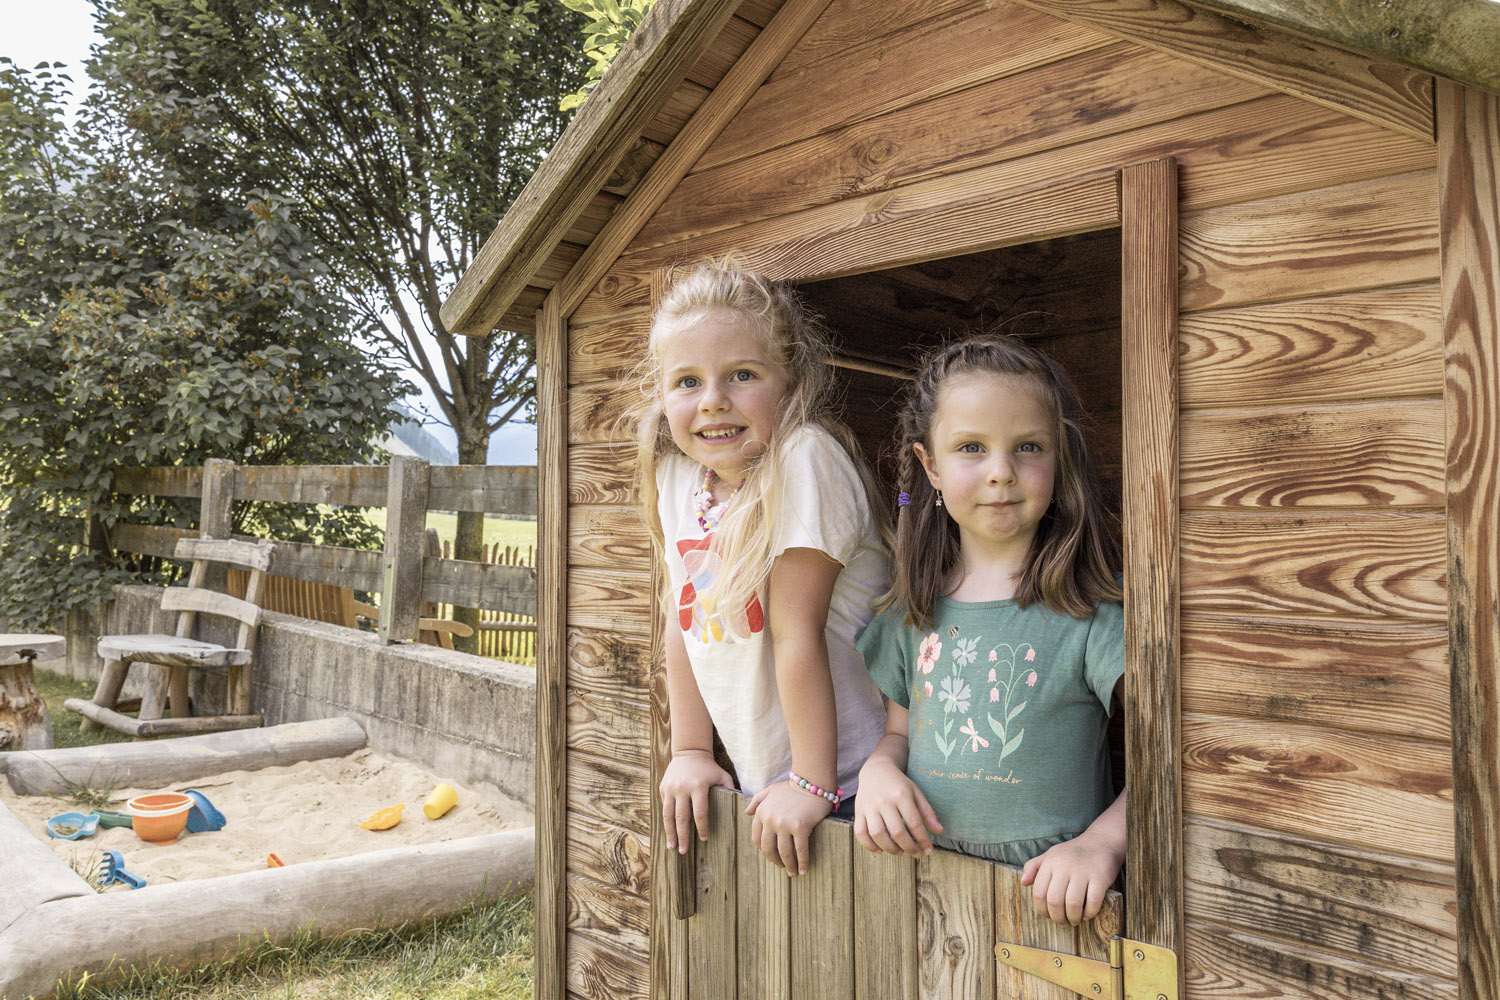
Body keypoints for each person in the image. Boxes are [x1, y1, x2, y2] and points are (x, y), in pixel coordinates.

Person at [854, 335, 1126, 925]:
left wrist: (1103, 844)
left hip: (1055, 903)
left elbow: (1169, 760)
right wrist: (876, 773)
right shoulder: (911, 612)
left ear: (1060, 458)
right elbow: (898, 736)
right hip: (925, 898)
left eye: (1027, 447)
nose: (1002, 473)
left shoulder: (1092, 611)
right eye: (972, 447)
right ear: (930, 466)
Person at [636, 260, 890, 877]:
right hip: (769, 782)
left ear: (789, 380)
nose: (713, 402)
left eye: (742, 375)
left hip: (856, 776)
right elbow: (682, 615)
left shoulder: (804, 459)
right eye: (687, 381)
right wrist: (690, 750)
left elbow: (795, 632)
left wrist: (812, 782)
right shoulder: (677, 477)